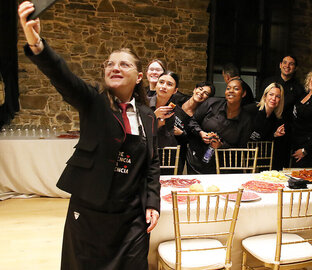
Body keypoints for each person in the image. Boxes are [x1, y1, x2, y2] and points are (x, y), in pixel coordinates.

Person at [18, 2, 160, 269]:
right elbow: (63, 77)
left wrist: (152, 202)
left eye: (124, 64)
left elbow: (152, 164)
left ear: (139, 76)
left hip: (131, 215)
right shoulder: (94, 102)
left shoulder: (148, 116)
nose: (114, 67)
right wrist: (37, 44)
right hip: (92, 209)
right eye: (110, 63)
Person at [186, 78, 252, 174]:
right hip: (196, 159)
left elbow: (241, 149)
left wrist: (221, 145)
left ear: (244, 93)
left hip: (222, 167)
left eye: (236, 89)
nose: (231, 91)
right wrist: (201, 133)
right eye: (228, 88)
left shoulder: (246, 119)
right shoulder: (212, 103)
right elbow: (192, 121)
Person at [261, 55, 304, 169]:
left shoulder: (299, 89)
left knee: (280, 166)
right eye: (285, 63)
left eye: (291, 64)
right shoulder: (268, 82)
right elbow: (261, 104)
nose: (287, 66)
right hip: (266, 126)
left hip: (285, 131)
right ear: (280, 65)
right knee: (263, 162)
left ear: (295, 68)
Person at [173, 82, 215, 174]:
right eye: (200, 89)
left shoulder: (200, 116)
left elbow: (193, 139)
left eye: (206, 93)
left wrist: (182, 134)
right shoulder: (177, 99)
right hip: (165, 142)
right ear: (194, 89)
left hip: (180, 150)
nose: (201, 93)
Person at [149, 71, 188, 148]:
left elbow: (165, 142)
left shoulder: (171, 112)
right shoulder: (144, 102)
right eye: (161, 82)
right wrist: (154, 116)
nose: (163, 86)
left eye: (169, 84)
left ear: (175, 91)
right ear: (156, 85)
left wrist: (160, 123)